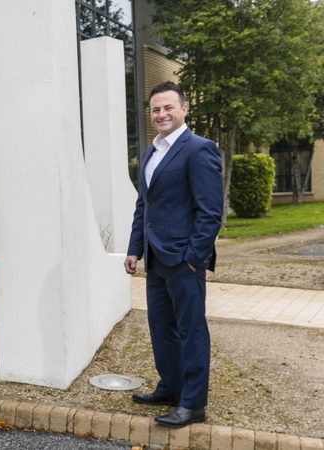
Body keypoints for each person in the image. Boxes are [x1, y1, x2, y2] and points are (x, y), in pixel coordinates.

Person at [124, 81, 223, 428]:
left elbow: (211, 213)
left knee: (191, 330)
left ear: (183, 109)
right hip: (155, 258)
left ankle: (193, 404)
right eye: (155, 109)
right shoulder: (150, 153)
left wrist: (193, 257)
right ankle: (171, 387)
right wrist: (134, 249)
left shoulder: (199, 149)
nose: (161, 114)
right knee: (161, 328)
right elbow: (144, 205)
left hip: (183, 260)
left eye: (168, 107)